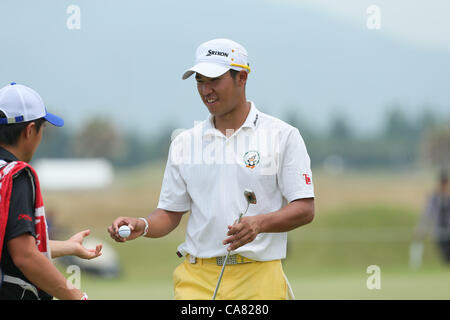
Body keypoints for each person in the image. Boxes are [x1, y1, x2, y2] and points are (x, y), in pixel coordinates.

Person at [108, 39, 315, 299]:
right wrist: (143, 224)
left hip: (258, 277)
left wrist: (259, 224)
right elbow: (170, 213)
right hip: (196, 278)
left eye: (214, 80)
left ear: (242, 77)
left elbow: (305, 208)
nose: (206, 90)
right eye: (200, 81)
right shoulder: (185, 142)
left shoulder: (282, 136)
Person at [0, 82, 102, 300]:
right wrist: (76, 296)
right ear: (30, 130)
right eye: (42, 129)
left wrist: (69, 247)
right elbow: (24, 255)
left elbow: (10, 244)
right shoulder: (16, 175)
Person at [413, 170, 450, 264]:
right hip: (439, 233)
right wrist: (421, 229)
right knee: (445, 258)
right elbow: (428, 215)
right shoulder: (434, 198)